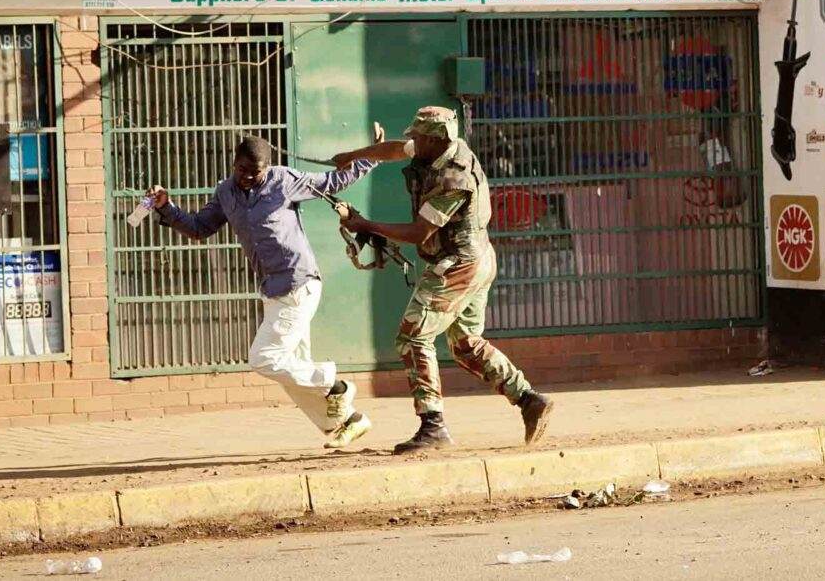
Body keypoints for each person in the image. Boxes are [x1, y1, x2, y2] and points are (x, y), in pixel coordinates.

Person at [332, 106, 553, 455]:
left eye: (416, 136)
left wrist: (366, 225)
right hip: (477, 259)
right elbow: (394, 149)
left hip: (459, 266)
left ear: (435, 140)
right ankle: (528, 399)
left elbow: (421, 232)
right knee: (466, 343)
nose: (411, 141)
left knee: (413, 337)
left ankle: (432, 426)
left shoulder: (454, 180)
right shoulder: (439, 147)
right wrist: (353, 156)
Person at [147, 135, 373, 449]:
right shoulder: (225, 192)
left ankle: (336, 385)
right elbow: (199, 227)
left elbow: (334, 180)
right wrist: (167, 208)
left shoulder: (284, 180)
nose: (249, 176)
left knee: (264, 359)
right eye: (243, 169)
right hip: (272, 290)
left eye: (257, 171)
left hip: (299, 283)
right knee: (289, 368)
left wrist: (374, 156)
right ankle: (349, 420)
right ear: (234, 163)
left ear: (267, 167)